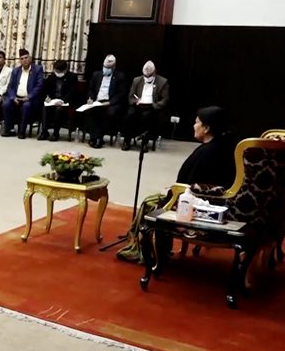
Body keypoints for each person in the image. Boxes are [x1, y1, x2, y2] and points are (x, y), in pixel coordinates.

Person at [116, 106, 237, 263]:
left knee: (150, 203)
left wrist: (173, 191)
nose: (194, 126)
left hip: (200, 202)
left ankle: (148, 253)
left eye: (197, 122)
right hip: (210, 197)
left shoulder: (207, 152)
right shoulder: (223, 146)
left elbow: (194, 183)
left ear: (206, 128)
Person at [82, 55, 128, 149]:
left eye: (108, 68)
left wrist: (110, 102)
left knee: (110, 113)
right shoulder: (96, 75)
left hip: (110, 102)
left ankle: (98, 138)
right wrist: (90, 98)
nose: (106, 69)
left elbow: (121, 94)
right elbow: (91, 89)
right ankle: (95, 137)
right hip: (97, 101)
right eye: (105, 67)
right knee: (89, 112)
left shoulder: (120, 77)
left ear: (114, 67)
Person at [123, 60, 170, 151]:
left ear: (154, 72)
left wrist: (155, 105)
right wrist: (135, 101)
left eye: (149, 76)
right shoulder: (137, 80)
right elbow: (131, 96)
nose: (147, 77)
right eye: (145, 76)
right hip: (138, 105)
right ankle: (126, 141)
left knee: (147, 117)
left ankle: (144, 143)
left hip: (152, 107)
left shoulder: (162, 82)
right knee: (129, 115)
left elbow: (165, 100)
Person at [1, 49, 45, 139]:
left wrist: (28, 97)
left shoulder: (37, 69)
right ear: (20, 60)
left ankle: (22, 131)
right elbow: (10, 87)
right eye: (22, 59)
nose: (24, 60)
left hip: (30, 99)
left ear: (30, 58)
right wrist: (13, 97)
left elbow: (39, 86)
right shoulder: (16, 71)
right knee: (6, 104)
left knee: (26, 106)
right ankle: (9, 129)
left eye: (26, 58)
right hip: (17, 97)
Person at [38, 60, 77, 142]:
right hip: (53, 101)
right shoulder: (52, 76)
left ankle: (55, 133)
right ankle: (44, 132)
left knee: (59, 109)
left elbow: (72, 92)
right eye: (56, 71)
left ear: (65, 70)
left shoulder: (72, 77)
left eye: (59, 71)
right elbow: (46, 90)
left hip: (66, 102)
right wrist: (47, 97)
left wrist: (63, 101)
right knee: (45, 107)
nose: (57, 73)